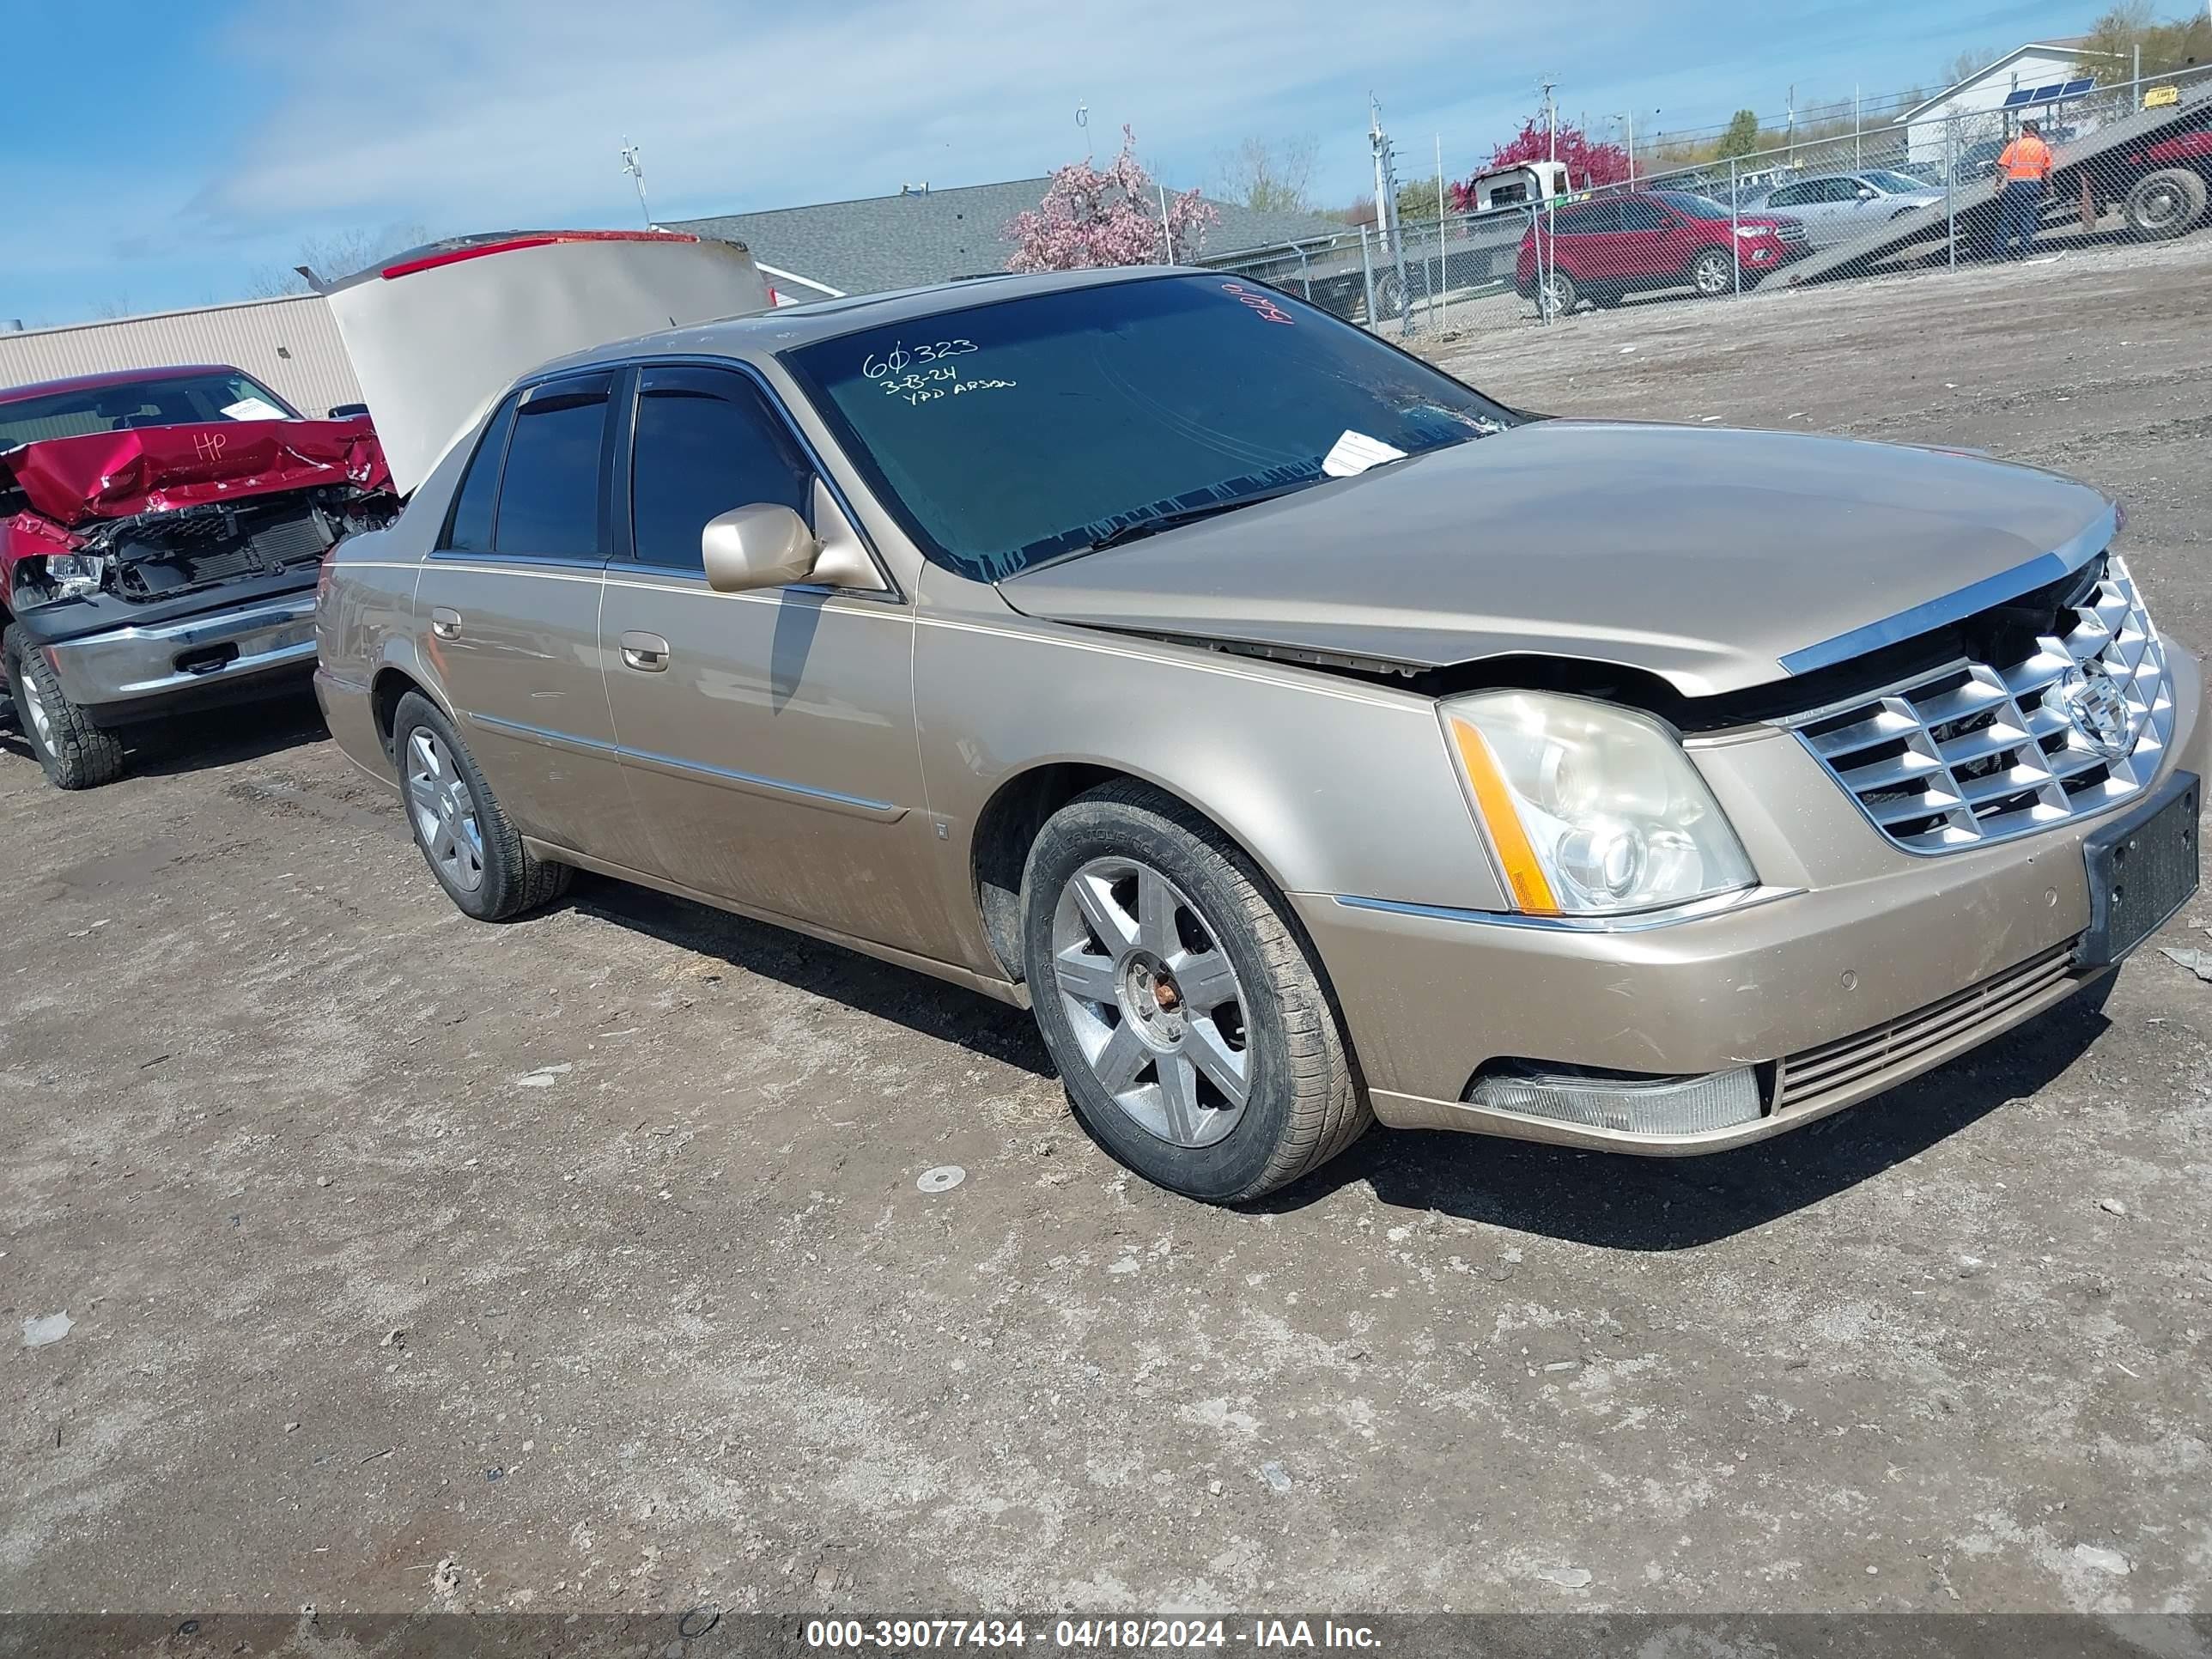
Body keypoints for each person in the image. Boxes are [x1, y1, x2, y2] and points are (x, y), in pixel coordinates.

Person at [1995, 120, 2056, 259]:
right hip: (2034, 185)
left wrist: (1997, 185)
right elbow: (2047, 171)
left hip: (2016, 185)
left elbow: (2003, 167)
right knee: (2028, 219)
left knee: (2007, 219)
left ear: (2024, 131)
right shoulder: (2042, 147)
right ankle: (2025, 251)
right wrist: (2049, 187)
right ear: (2037, 132)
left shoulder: (2015, 146)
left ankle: (2000, 252)